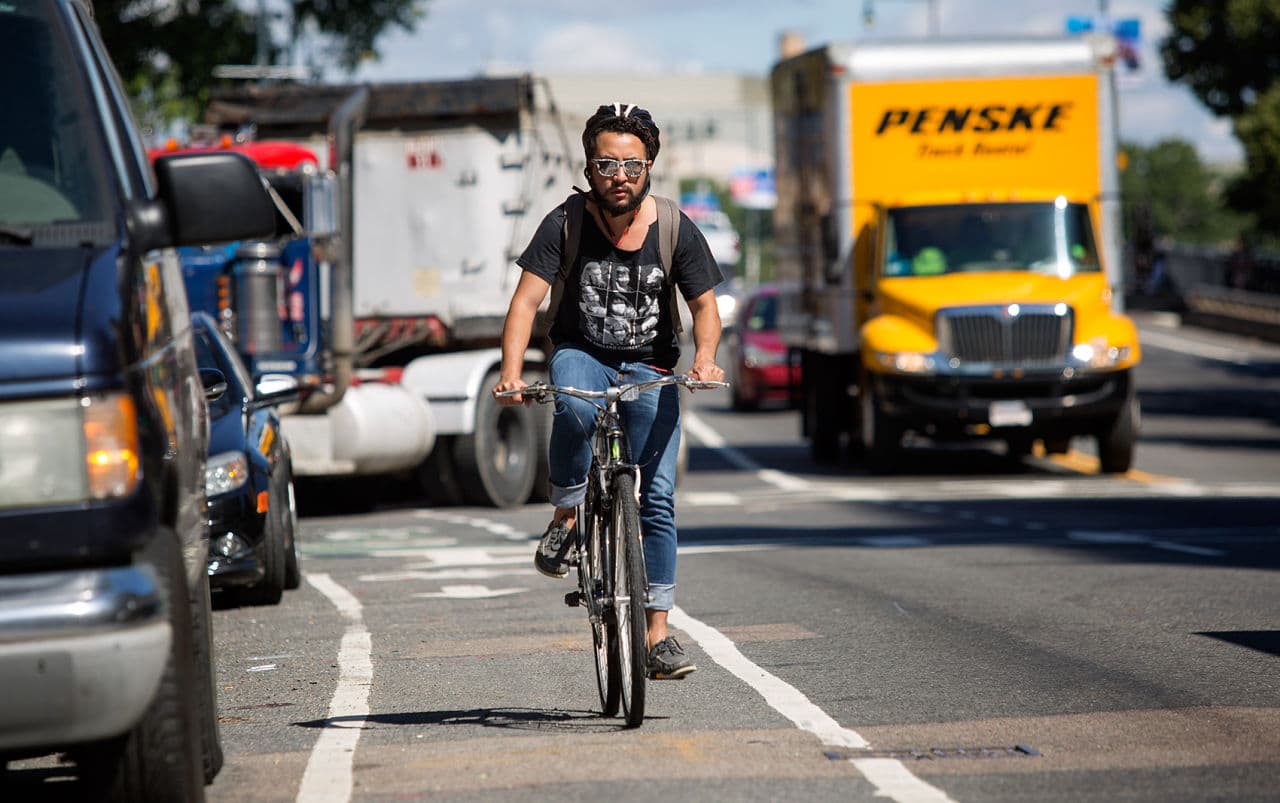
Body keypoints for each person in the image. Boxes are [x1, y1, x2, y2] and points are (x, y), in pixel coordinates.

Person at [492, 103, 725, 680]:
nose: (618, 176)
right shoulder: (565, 222)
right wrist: (512, 373)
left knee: (660, 497)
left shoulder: (674, 226)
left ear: (649, 167)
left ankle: (658, 638)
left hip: (651, 365)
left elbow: (703, 306)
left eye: (631, 165)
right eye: (605, 164)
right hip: (584, 353)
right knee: (570, 402)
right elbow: (525, 303)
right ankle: (566, 515)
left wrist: (705, 359)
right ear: (589, 167)